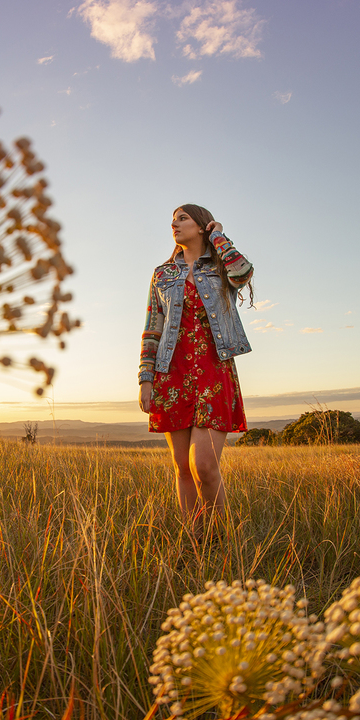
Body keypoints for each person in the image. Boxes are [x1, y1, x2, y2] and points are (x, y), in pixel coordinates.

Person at [138, 204, 254, 541]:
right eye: (172, 220)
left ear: (201, 226)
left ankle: (224, 541)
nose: (174, 224)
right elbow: (152, 327)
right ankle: (195, 541)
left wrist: (219, 236)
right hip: (171, 373)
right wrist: (146, 378)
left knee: (204, 466)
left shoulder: (222, 267)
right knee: (183, 468)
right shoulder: (162, 274)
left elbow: (243, 273)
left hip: (213, 370)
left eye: (182, 218)